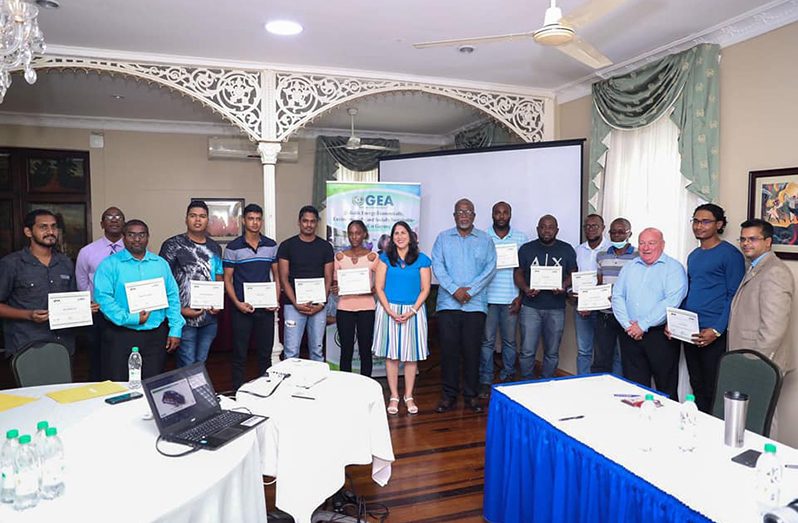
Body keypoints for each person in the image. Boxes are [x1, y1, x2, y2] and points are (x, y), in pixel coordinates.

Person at [93, 219, 184, 380]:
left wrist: (175, 329)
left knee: (152, 382)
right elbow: (104, 299)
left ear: (148, 237)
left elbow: (172, 296)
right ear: (123, 237)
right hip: (120, 334)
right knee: (119, 382)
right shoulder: (109, 265)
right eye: (131, 235)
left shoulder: (160, 264)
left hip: (155, 336)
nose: (137, 239)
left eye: (141, 235)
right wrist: (132, 318)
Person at [675, 204, 744, 413]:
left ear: (719, 224)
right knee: (696, 383)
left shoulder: (730, 255)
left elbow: (734, 296)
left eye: (705, 221)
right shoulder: (694, 255)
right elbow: (691, 291)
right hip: (692, 330)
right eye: (695, 221)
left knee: (713, 386)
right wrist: (677, 323)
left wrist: (716, 330)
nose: (699, 226)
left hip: (713, 332)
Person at [432, 198, 497, 413]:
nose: (464, 215)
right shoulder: (442, 238)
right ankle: (449, 395)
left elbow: (490, 268)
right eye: (460, 211)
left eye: (468, 211)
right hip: (448, 305)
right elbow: (438, 266)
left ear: (474, 216)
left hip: (475, 305)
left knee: (472, 351)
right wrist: (454, 290)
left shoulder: (485, 240)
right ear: (454, 215)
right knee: (449, 352)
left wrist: (469, 291)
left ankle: (471, 395)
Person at [0, 209, 90, 356]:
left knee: (65, 380)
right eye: (43, 227)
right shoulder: (11, 264)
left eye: (54, 226)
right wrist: (29, 315)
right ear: (28, 232)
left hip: (63, 344)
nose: (50, 231)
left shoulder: (65, 262)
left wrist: (85, 307)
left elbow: (72, 299)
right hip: (27, 345)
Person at [611, 228, 687, 399]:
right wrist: (628, 326)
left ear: (662, 245)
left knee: (665, 387)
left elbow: (671, 301)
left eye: (651, 243)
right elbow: (617, 296)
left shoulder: (674, 268)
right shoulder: (629, 267)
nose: (646, 248)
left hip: (659, 337)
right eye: (642, 243)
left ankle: (667, 424)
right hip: (629, 334)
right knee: (634, 388)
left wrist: (643, 325)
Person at [373, 221, 431, 416]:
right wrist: (389, 310)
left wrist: (412, 311)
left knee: (410, 355)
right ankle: (394, 396)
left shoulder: (422, 259)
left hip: (413, 311)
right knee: (392, 355)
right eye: (396, 233)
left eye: (403, 233)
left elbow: (425, 289)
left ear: (411, 236)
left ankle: (408, 395)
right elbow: (379, 287)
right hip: (388, 310)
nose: (399, 236)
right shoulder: (384, 258)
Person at [160, 201, 224, 368]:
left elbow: (218, 276)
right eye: (193, 216)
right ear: (186, 219)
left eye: (202, 216)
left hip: (209, 318)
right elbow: (162, 283)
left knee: (201, 362)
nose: (197, 220)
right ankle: (187, 395)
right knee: (187, 364)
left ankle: (197, 393)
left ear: (207, 220)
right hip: (183, 318)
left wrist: (217, 303)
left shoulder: (215, 247)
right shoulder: (172, 244)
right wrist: (180, 310)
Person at [223, 203, 280, 391]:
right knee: (240, 354)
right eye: (250, 218)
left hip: (266, 308)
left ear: (261, 221)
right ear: (243, 220)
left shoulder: (271, 245)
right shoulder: (233, 247)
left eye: (258, 219)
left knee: (265, 353)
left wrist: (275, 300)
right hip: (242, 309)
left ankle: (265, 391)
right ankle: (238, 390)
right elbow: (228, 280)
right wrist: (237, 304)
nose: (254, 223)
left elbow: (277, 276)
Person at [514, 214, 577, 380]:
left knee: (552, 351)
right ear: (537, 229)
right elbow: (518, 273)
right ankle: (526, 382)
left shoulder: (567, 249)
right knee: (527, 350)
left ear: (557, 230)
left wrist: (563, 285)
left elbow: (574, 273)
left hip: (556, 307)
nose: (546, 230)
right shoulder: (526, 249)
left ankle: (547, 382)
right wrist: (526, 289)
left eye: (550, 227)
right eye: (543, 227)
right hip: (530, 307)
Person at [729, 219, 794, 369]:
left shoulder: (774, 271)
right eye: (743, 239)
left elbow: (773, 328)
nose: (746, 243)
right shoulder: (755, 266)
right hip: (745, 355)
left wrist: (756, 362)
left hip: (759, 361)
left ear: (768, 241)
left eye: (752, 239)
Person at [478, 202, 528, 398]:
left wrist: (520, 296)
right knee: (487, 341)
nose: (501, 216)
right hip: (486, 298)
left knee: (509, 342)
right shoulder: (482, 236)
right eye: (497, 213)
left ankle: (508, 376)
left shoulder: (520, 238)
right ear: (492, 215)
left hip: (511, 298)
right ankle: (485, 379)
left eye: (505, 212)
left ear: (510, 214)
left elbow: (523, 271)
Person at [278, 205, 334, 361]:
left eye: (312, 221)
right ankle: (291, 385)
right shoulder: (287, 246)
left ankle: (316, 385)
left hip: (318, 306)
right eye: (305, 221)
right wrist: (296, 303)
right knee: (291, 351)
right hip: (293, 306)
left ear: (317, 223)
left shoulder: (325, 247)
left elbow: (328, 277)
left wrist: (321, 304)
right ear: (299, 222)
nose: (308, 225)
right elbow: (283, 278)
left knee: (317, 351)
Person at [75, 206, 125, 380]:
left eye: (118, 216)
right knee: (97, 357)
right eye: (109, 216)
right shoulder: (87, 251)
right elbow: (81, 281)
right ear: (102, 223)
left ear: (124, 223)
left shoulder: (134, 248)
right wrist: (89, 303)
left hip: (126, 313)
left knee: (123, 355)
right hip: (98, 313)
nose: (114, 219)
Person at [593, 218, 638, 375]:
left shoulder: (638, 256)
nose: (616, 235)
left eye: (621, 232)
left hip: (628, 316)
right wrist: (588, 300)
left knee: (626, 358)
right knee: (601, 358)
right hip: (605, 314)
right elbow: (599, 282)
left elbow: (641, 287)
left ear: (629, 233)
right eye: (613, 232)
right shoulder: (601, 255)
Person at [333, 220, 377, 376]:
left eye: (358, 233)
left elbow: (380, 284)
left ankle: (367, 384)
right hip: (345, 308)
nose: (354, 236)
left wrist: (373, 289)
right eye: (351, 233)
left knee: (365, 349)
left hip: (367, 308)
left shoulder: (374, 257)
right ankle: (346, 385)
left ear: (364, 234)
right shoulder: (339, 257)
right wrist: (335, 287)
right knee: (346, 350)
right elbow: (335, 283)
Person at [572, 214, 610, 375]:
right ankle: (582, 384)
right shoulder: (578, 250)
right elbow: (573, 277)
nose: (590, 229)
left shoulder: (611, 250)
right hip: (582, 310)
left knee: (607, 353)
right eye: (587, 226)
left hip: (606, 311)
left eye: (595, 226)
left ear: (603, 228)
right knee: (584, 351)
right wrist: (572, 295)